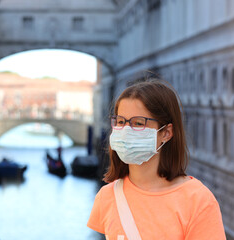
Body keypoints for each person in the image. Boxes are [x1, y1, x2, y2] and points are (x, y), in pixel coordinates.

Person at [87, 79, 226, 240]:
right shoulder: (106, 196)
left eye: (138, 123)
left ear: (166, 133)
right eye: (120, 122)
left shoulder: (197, 200)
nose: (125, 131)